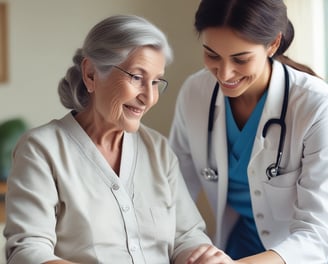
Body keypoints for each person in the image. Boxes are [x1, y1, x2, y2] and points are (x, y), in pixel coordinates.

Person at [4, 14, 232, 264]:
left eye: (155, 82)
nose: (149, 97)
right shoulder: (41, 150)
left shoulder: (158, 149)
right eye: (136, 77)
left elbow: (187, 235)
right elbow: (27, 252)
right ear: (91, 74)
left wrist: (201, 256)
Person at [169, 0, 328, 263]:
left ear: (273, 44)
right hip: (235, 247)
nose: (224, 73)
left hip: (293, 255)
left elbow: (319, 232)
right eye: (211, 54)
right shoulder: (195, 93)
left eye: (240, 59)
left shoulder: (316, 105)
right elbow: (174, 193)